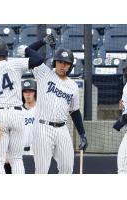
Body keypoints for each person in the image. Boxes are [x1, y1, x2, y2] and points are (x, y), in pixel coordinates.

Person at [0, 37, 45, 174]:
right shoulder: (13, 64)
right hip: (17, 113)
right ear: (5, 51)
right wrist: (28, 49)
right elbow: (39, 59)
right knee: (16, 158)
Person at [20, 36, 88, 173]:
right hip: (42, 128)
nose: (63, 65)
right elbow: (28, 50)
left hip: (62, 129)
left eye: (66, 63)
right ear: (55, 62)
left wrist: (82, 134)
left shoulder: (73, 86)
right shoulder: (44, 72)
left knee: (67, 168)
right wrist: (43, 41)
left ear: (70, 65)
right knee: (42, 170)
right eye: (60, 62)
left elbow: (74, 111)